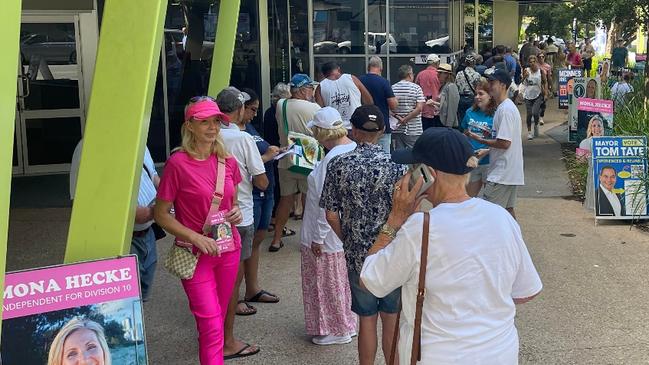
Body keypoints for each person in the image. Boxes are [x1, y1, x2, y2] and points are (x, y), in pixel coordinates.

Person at [360, 127, 542, 365]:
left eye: (413, 168)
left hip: (439, 356)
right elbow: (525, 291)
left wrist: (395, 219)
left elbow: (371, 281)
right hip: (500, 353)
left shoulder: (420, 228)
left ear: (428, 174)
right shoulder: (501, 217)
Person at [154, 97, 248, 364]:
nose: (211, 127)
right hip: (195, 254)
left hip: (228, 248)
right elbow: (161, 215)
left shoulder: (227, 161)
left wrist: (237, 212)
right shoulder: (178, 163)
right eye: (203, 121)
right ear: (190, 126)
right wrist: (194, 236)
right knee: (211, 324)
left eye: (216, 121)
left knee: (218, 317)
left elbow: (234, 201)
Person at [320, 105, 406, 365]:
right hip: (391, 251)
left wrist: (348, 239)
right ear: (381, 131)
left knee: (366, 318)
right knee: (391, 317)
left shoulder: (338, 164)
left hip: (358, 254)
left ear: (353, 131)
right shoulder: (397, 165)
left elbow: (331, 214)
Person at [216, 87, 270, 360]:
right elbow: (261, 180)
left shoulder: (207, 136)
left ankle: (214, 334)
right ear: (238, 110)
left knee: (214, 280)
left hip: (211, 218)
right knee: (230, 282)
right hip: (240, 213)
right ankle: (226, 340)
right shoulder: (242, 138)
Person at [69, 142, 160, 301]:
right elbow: (82, 201)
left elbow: (152, 175)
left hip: (147, 234)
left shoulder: (139, 140)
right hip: (118, 240)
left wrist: (172, 195)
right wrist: (133, 213)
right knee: (121, 302)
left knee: (141, 298)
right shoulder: (90, 146)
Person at [300, 107, 358, 346]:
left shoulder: (330, 160)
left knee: (326, 282)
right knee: (340, 281)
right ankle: (346, 322)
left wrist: (318, 237)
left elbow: (326, 204)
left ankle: (335, 328)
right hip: (343, 229)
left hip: (325, 231)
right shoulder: (353, 150)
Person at [240, 89, 283, 310]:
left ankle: (252, 288)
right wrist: (266, 157)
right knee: (243, 245)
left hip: (265, 189)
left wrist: (277, 151)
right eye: (252, 110)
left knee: (256, 240)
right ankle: (235, 298)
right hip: (252, 192)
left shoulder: (249, 128)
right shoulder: (234, 134)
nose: (254, 114)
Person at [466, 69, 524, 219]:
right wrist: (487, 150)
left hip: (501, 173)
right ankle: (515, 241)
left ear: (503, 85)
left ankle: (499, 242)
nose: (490, 85)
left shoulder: (505, 109)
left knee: (489, 214)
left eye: (493, 83)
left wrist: (480, 140)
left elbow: (504, 143)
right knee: (507, 211)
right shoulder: (505, 108)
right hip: (509, 171)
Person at [271, 74, 321, 252]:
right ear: (302, 89)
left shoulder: (280, 105)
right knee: (309, 202)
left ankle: (276, 239)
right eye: (310, 88)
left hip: (286, 158)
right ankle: (306, 240)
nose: (312, 91)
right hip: (308, 160)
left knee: (285, 200)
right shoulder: (314, 107)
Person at [263, 83, 292, 235]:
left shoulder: (269, 111)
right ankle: (276, 222)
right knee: (280, 192)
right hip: (279, 153)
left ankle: (271, 220)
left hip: (271, 151)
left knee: (273, 189)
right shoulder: (281, 112)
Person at [461, 79, 496, 197]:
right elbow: (464, 132)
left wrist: (487, 151)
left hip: (490, 163)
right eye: (476, 94)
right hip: (472, 162)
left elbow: (501, 141)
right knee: (468, 199)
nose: (477, 97)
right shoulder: (469, 112)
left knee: (491, 201)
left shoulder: (497, 115)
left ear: (490, 96)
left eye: (481, 94)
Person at [315, 62, 373, 131]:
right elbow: (369, 101)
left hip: (336, 129)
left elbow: (320, 110)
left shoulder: (321, 87)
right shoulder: (352, 78)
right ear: (338, 69)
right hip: (356, 126)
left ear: (324, 74)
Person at [359, 56, 398, 152]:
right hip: (381, 125)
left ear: (368, 67)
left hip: (363, 124)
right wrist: (396, 100)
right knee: (384, 157)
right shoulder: (384, 82)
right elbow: (393, 106)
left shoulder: (359, 81)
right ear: (381, 68)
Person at [391, 65, 425, 149]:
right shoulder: (416, 88)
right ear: (410, 75)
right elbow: (419, 108)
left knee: (399, 156)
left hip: (397, 128)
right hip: (414, 129)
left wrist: (399, 118)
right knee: (415, 155)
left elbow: (389, 108)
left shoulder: (392, 88)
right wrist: (406, 119)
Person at [579, 116, 605, 212]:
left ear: (602, 128)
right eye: (594, 126)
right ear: (590, 128)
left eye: (599, 125)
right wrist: (585, 156)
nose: (597, 128)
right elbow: (580, 161)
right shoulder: (584, 143)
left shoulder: (608, 142)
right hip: (592, 174)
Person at [522, 55, 548, 140]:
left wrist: (546, 93)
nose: (532, 63)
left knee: (535, 113)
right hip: (528, 94)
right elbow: (523, 83)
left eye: (534, 62)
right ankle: (529, 132)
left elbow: (545, 82)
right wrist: (524, 77)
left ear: (536, 62)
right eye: (531, 62)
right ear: (528, 63)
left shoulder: (540, 71)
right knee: (529, 114)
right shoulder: (526, 70)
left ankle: (536, 125)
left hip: (538, 94)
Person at [415, 53, 442, 129]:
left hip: (423, 108)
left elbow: (416, 88)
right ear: (437, 63)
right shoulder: (439, 75)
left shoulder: (420, 74)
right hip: (436, 108)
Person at [455, 53, 481, 122]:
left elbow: (456, 85)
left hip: (461, 98)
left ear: (465, 63)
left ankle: (461, 131)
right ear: (474, 63)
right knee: (471, 117)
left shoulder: (459, 73)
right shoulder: (476, 75)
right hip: (471, 99)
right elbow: (478, 88)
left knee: (461, 118)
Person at [438, 63, 460, 128]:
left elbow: (452, 107)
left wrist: (449, 125)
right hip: (442, 120)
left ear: (446, 74)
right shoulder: (444, 85)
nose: (437, 75)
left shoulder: (451, 86)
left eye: (440, 73)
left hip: (447, 123)